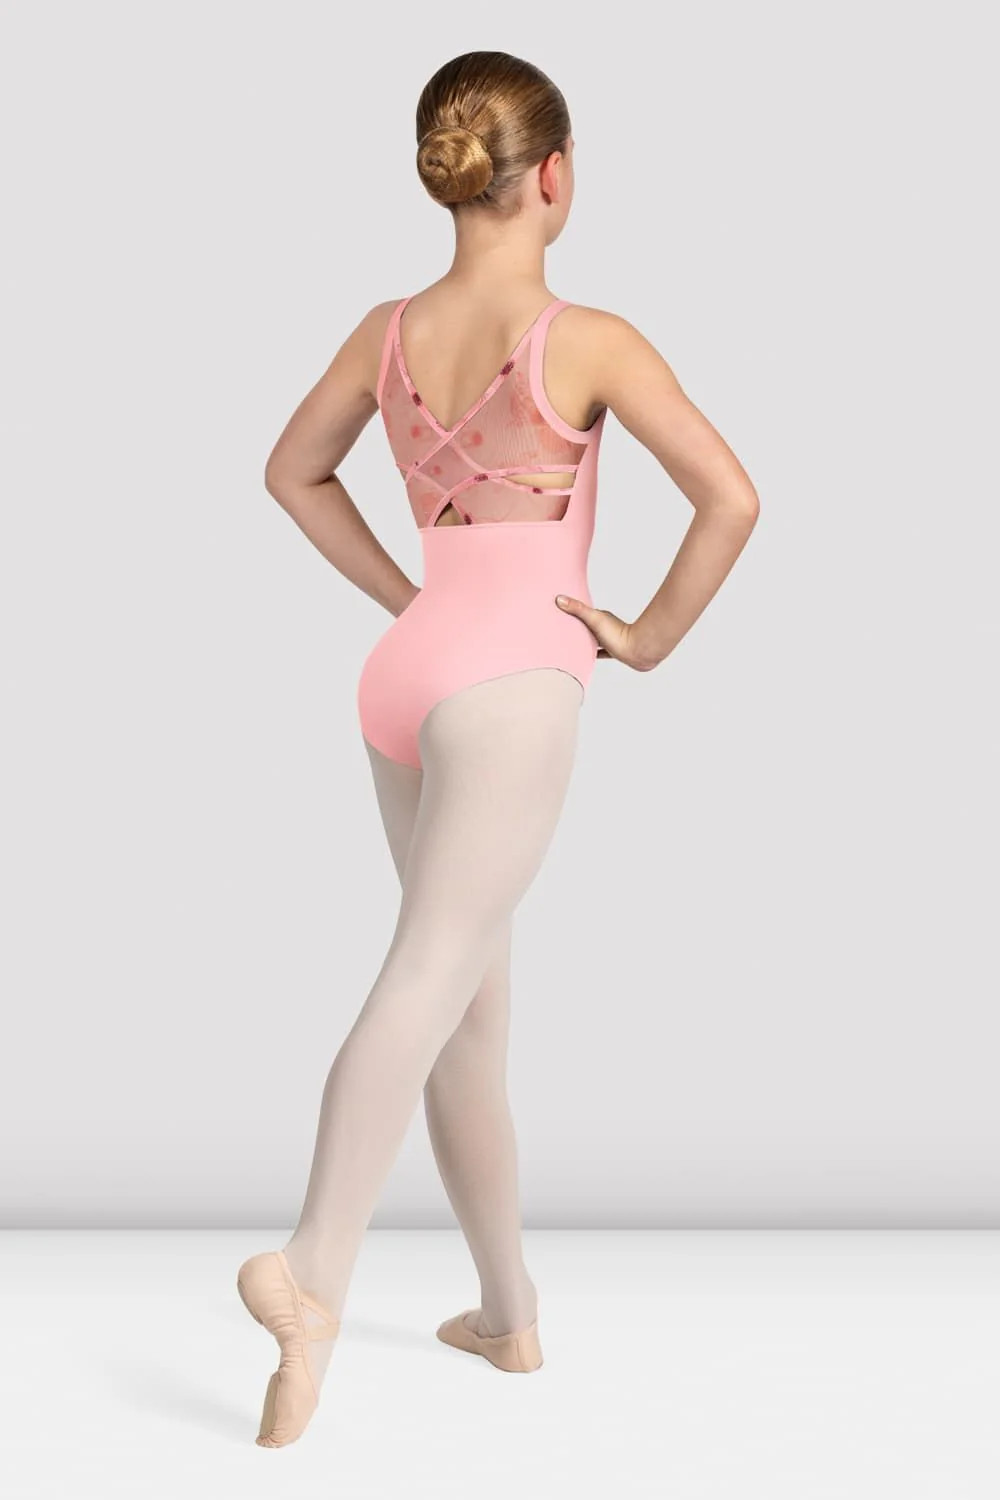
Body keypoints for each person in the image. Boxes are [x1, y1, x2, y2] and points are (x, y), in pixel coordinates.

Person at [236, 48, 760, 1448]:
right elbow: (731, 497)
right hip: (517, 681)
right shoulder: (587, 337)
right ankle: (310, 1275)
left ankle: (507, 1313)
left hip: (406, 678)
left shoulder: (386, 331)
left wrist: (412, 606)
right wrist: (643, 636)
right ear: (556, 177)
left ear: (450, 175)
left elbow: (293, 471)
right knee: (429, 979)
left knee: (468, 1009)